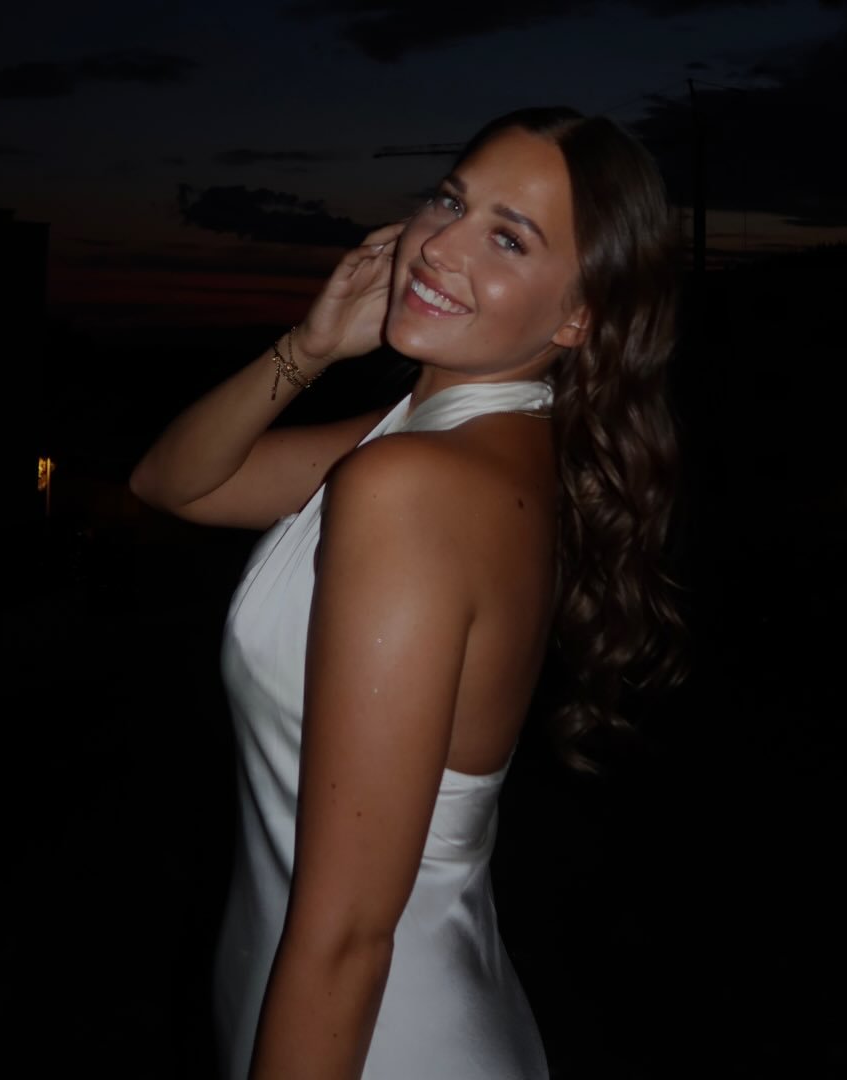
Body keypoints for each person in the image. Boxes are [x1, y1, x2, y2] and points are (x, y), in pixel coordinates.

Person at [129, 105, 682, 1080]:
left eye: (509, 238)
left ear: (576, 317)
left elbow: (348, 937)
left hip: (371, 1042)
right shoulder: (453, 445)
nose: (439, 246)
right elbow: (175, 484)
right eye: (451, 202)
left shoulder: (415, 487)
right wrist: (311, 346)